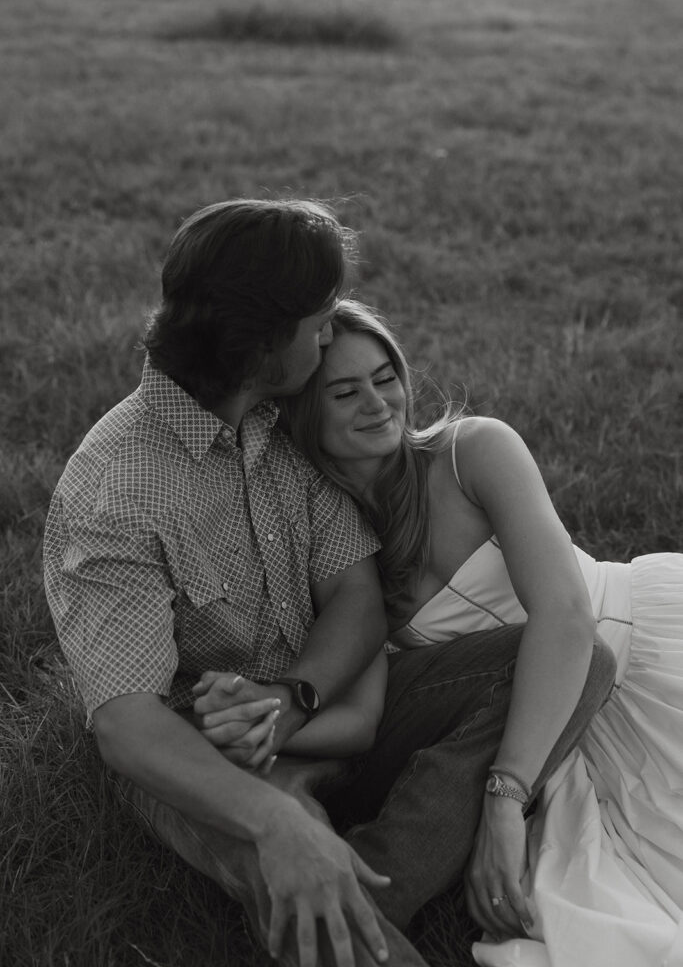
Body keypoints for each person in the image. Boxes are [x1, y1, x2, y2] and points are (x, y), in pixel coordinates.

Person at [43, 201, 614, 967]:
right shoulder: (115, 491)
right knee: (302, 884)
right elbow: (126, 724)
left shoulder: (278, 423)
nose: (328, 331)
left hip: (321, 704)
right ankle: (346, 907)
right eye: (316, 322)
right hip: (203, 747)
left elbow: (355, 594)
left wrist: (293, 696)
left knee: (574, 663)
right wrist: (274, 821)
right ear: (262, 343)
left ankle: (380, 878)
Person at [273, 297, 683, 967]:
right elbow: (372, 710)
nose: (377, 403)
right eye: (344, 392)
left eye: (385, 377)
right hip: (547, 721)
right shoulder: (333, 549)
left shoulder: (471, 451)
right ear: (303, 415)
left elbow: (566, 616)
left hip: (643, 644)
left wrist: (503, 801)